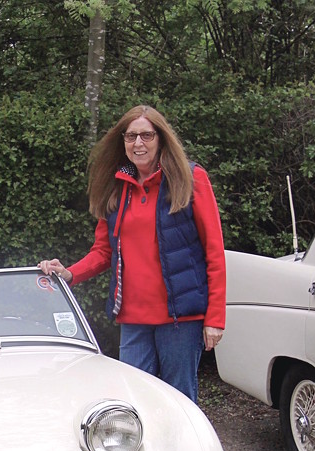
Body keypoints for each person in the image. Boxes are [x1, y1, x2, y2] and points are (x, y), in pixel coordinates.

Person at [39, 105, 225, 403]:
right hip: (133, 318)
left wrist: (215, 317)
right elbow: (103, 251)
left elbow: (214, 251)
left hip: (179, 318)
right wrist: (70, 273)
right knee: (132, 401)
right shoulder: (116, 187)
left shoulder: (190, 178)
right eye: (131, 136)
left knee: (179, 401)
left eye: (147, 135)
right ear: (123, 142)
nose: (138, 143)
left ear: (161, 138)